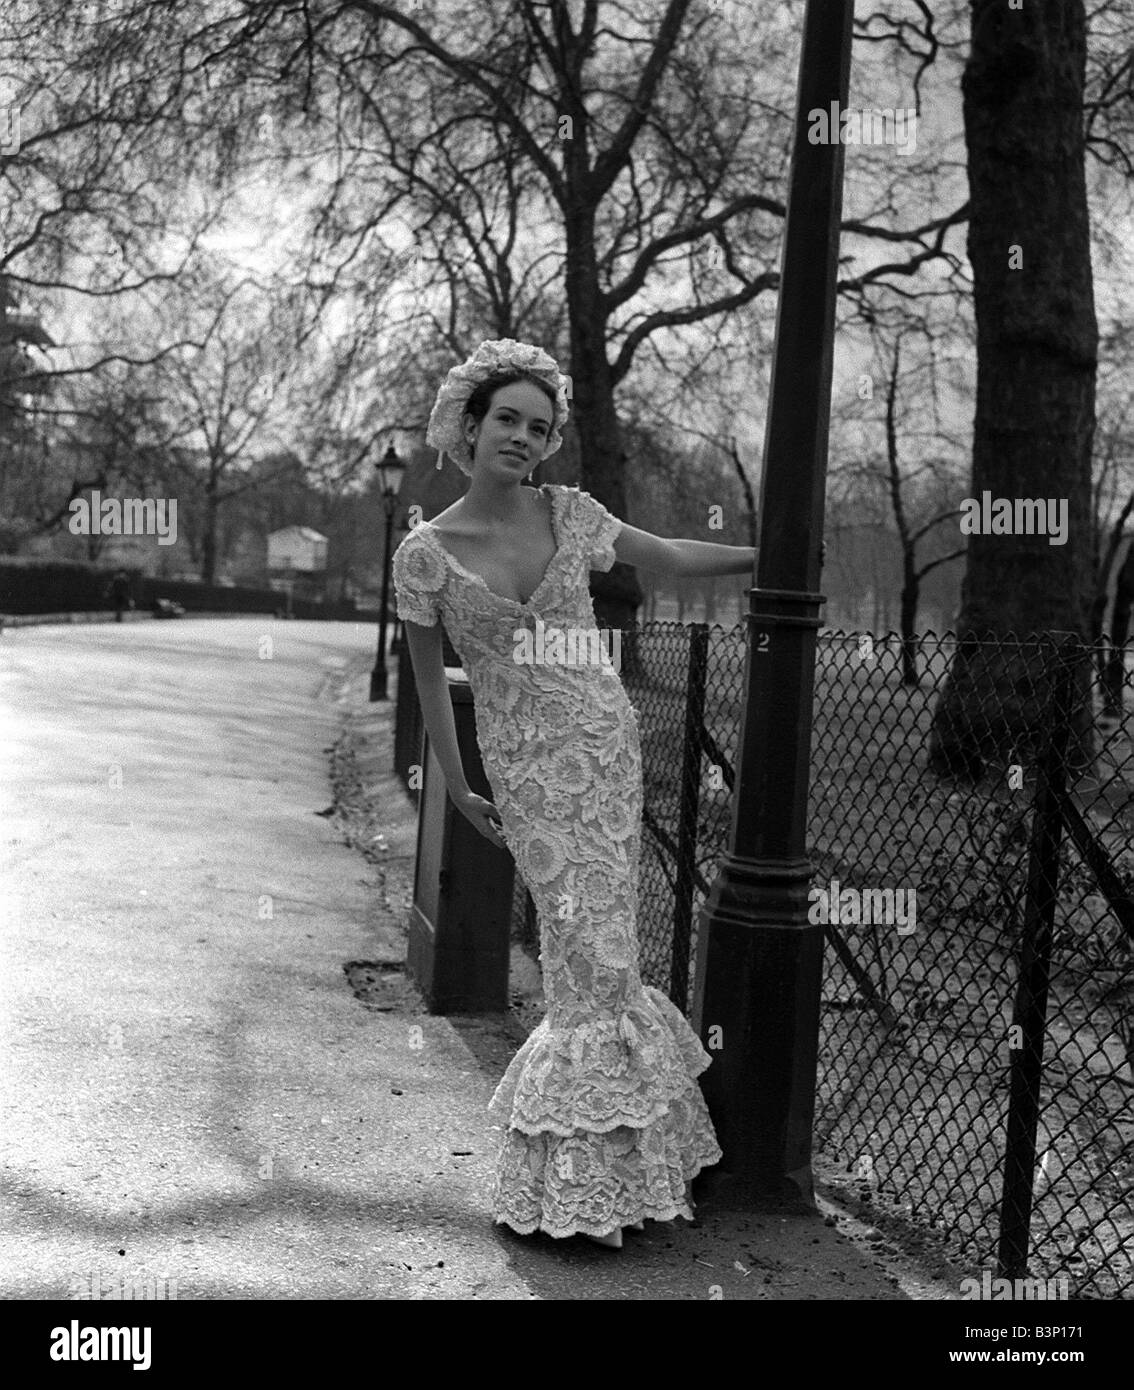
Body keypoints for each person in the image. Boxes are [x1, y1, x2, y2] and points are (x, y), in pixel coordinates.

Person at [392, 339, 755, 1250]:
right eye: (507, 419)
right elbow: (431, 682)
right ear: (469, 429)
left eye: (539, 427)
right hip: (524, 769)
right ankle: (587, 1179)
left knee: (605, 949)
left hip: (601, 749)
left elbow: (666, 552)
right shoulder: (426, 555)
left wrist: (774, 551)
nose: (522, 436)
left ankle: (616, 1178)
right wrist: (460, 779)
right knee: (581, 951)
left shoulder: (570, 513)